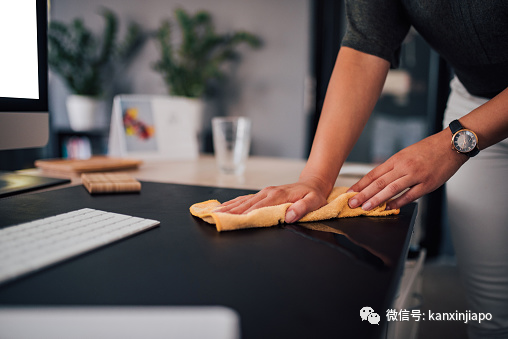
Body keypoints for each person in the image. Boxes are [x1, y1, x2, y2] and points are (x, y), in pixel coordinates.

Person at [218, 1, 508, 338]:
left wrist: (451, 143)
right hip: (476, 103)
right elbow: (364, 46)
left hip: (467, 129)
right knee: (492, 316)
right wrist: (316, 178)